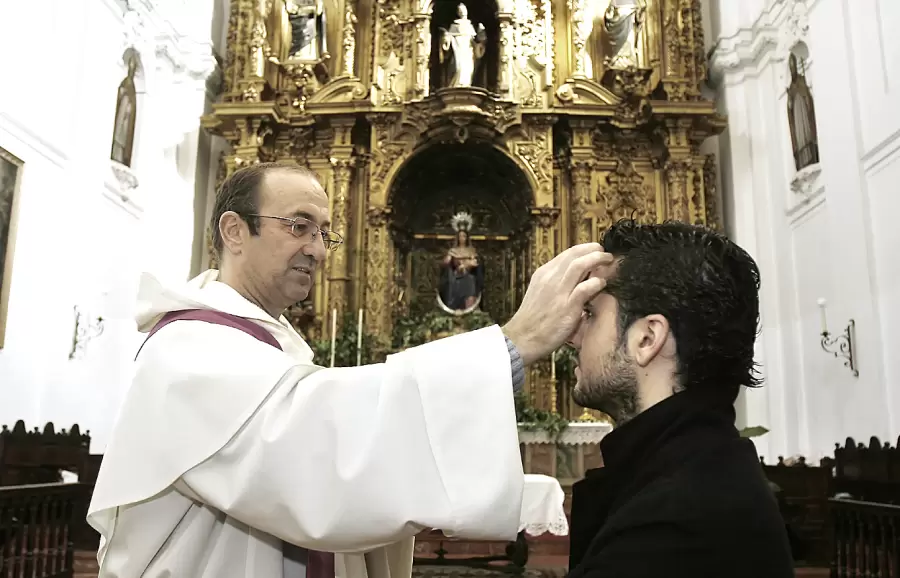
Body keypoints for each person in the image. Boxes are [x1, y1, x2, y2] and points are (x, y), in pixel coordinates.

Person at [87, 162, 612, 578]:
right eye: (299, 226)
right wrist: (512, 345)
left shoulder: (270, 343)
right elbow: (316, 449)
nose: (317, 249)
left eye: (324, 233)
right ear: (234, 230)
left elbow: (337, 449)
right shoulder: (189, 347)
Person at [564, 219, 794, 578]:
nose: (572, 335)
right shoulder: (697, 466)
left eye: (590, 314)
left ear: (646, 339)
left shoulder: (675, 520)